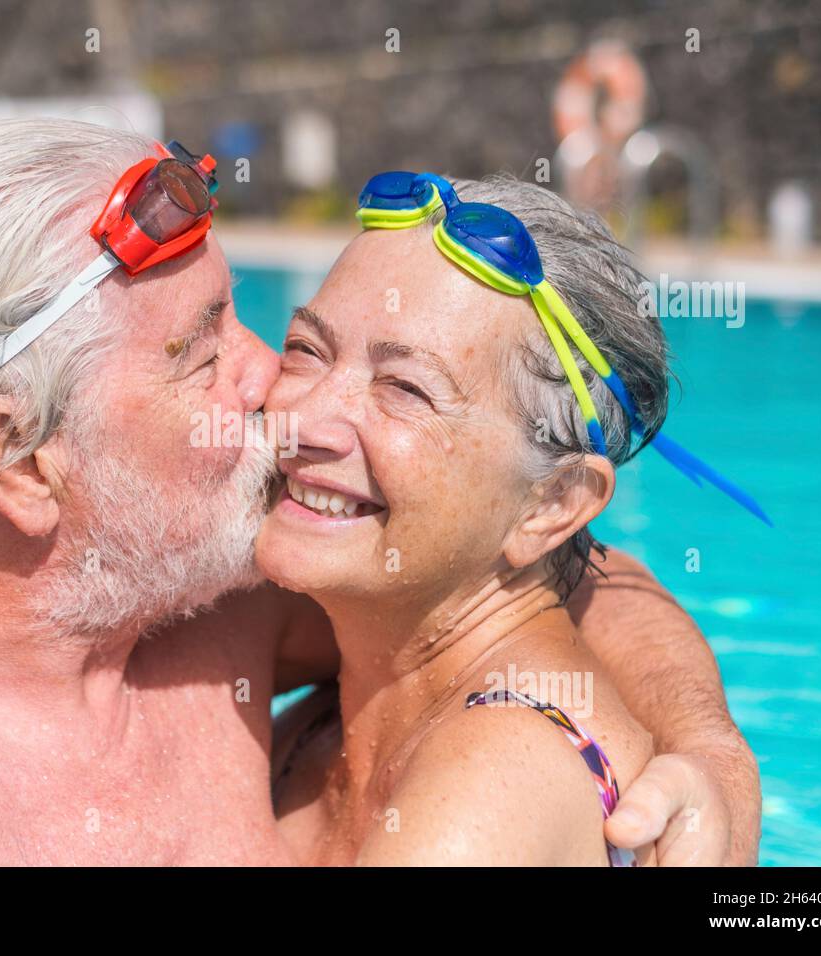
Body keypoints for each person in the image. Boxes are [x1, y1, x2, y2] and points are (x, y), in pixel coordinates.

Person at [0, 120, 759, 866]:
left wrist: (708, 750)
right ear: (16, 458)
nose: (277, 395)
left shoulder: (226, 604)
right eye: (207, 347)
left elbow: (575, 569)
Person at [269, 170, 767, 864]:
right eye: (306, 351)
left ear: (553, 504)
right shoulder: (343, 707)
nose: (304, 421)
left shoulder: (488, 795)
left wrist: (716, 752)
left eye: (406, 388)